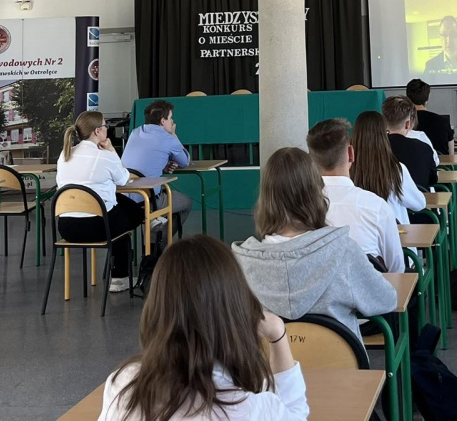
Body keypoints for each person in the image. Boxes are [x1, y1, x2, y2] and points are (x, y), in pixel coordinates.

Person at [96, 235, 308, 421]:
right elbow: (295, 415)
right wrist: (278, 334)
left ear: (156, 309)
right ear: (235, 312)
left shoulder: (122, 384)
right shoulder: (249, 409)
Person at [232, 147, 396, 341]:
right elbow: (387, 300)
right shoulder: (344, 251)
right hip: (337, 359)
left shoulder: (238, 265)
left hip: (269, 360)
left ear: (266, 199)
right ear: (316, 193)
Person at [56, 110, 142, 294]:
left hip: (66, 227)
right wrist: (111, 151)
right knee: (132, 216)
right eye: (105, 125)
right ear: (97, 131)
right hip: (97, 226)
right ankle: (120, 277)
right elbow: (123, 179)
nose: (107, 129)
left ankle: (118, 270)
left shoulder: (64, 155)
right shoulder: (104, 156)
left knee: (119, 207)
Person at [305, 118, 404, 271]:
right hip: (370, 286)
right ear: (351, 153)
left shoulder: (299, 208)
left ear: (310, 160)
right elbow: (396, 269)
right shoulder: (376, 206)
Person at [122, 100, 193, 236]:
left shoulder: (135, 132)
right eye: (170, 118)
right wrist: (173, 135)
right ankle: (160, 245)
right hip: (148, 199)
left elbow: (141, 160)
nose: (172, 122)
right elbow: (185, 161)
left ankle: (152, 241)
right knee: (186, 203)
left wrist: (163, 164)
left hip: (125, 197)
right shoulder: (168, 138)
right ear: (162, 121)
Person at [348, 112, 425, 225]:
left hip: (360, 232)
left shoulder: (347, 170)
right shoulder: (396, 169)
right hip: (394, 231)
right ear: (384, 137)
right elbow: (419, 204)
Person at [382, 95, 438, 189]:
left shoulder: (374, 147)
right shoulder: (424, 148)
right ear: (408, 124)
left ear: (383, 122)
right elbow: (432, 179)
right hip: (421, 196)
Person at [407, 78, 454, 155]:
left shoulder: (404, 123)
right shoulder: (443, 121)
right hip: (440, 162)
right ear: (427, 100)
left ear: (408, 99)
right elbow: (451, 155)